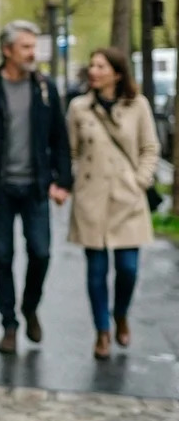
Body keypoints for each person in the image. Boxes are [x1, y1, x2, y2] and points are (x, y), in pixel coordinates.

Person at [0, 20, 72, 354]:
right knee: (3, 256)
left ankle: (30, 306)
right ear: (7, 50)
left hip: (36, 187)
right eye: (25, 47)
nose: (32, 53)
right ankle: (8, 324)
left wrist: (63, 182)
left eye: (33, 47)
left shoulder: (45, 89)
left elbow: (60, 140)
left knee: (41, 252)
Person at [66, 46, 158, 359]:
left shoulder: (138, 105)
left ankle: (120, 314)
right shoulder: (79, 107)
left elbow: (150, 148)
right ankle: (102, 331)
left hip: (127, 198)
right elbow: (71, 152)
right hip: (91, 200)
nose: (93, 71)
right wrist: (77, 180)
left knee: (128, 269)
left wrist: (140, 181)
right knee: (96, 271)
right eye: (92, 65)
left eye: (100, 66)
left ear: (117, 73)